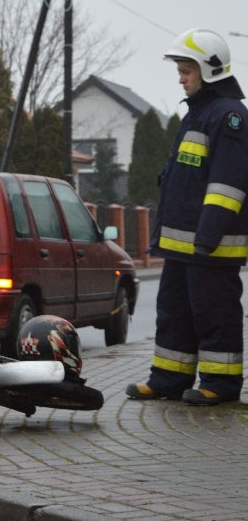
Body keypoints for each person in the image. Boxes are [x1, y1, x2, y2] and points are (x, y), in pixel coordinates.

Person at [127, 28, 248, 406]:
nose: (180, 77)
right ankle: (167, 379)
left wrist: (208, 236)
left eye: (186, 70)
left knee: (214, 314)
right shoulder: (199, 113)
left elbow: (228, 184)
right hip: (184, 245)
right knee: (174, 312)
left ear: (210, 69)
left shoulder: (230, 118)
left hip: (211, 245)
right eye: (179, 69)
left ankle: (221, 384)